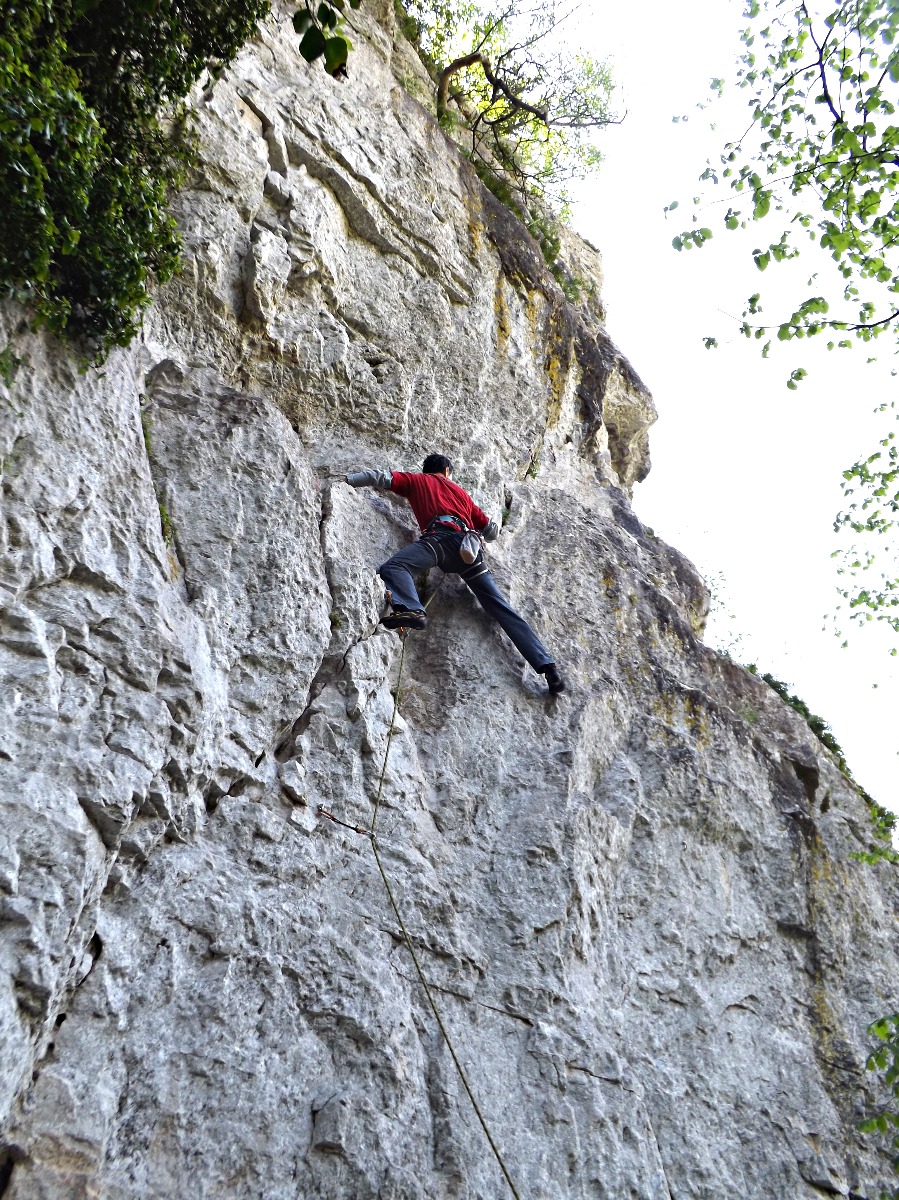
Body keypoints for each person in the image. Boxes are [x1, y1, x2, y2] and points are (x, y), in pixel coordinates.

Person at [345, 454, 565, 694]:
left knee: (395, 568)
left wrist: (348, 480)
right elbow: (491, 532)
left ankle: (412, 609)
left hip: (438, 542)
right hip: (468, 549)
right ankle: (548, 668)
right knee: (500, 607)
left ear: (427, 470)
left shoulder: (417, 481)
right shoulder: (462, 494)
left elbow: (378, 477)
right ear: (447, 471)